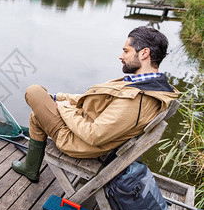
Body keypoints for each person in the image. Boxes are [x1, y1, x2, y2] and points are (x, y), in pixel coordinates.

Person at [12, 26, 179, 182]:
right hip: (86, 128)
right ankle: (31, 168)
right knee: (38, 112)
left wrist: (63, 107)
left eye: (126, 51)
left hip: (79, 143)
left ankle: (30, 168)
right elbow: (95, 101)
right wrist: (58, 97)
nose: (121, 56)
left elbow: (94, 135)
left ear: (144, 53)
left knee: (34, 91)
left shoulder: (138, 99)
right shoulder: (145, 85)